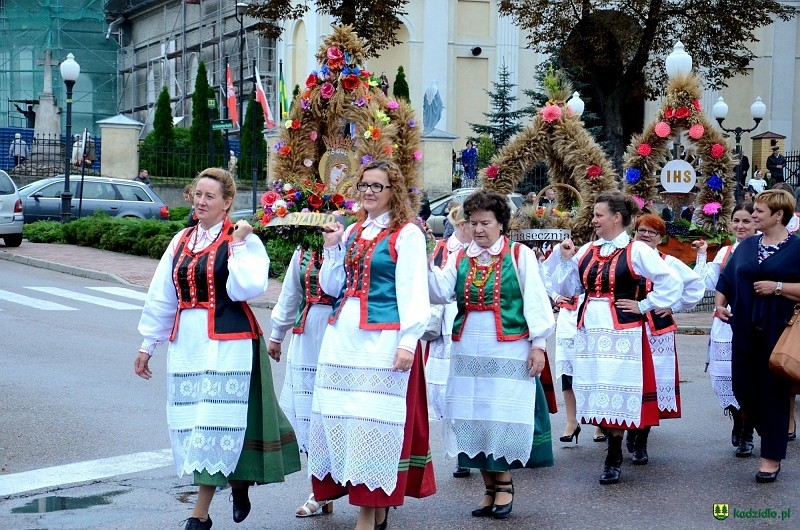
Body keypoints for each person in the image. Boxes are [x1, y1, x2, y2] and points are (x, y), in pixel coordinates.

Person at [134, 168, 301, 529]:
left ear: (227, 203)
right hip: (188, 344)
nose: (201, 201)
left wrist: (238, 243)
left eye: (210, 196)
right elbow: (163, 294)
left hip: (230, 343)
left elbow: (248, 288)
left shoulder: (241, 241)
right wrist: (149, 343)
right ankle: (238, 483)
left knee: (214, 423)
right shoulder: (181, 240)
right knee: (197, 425)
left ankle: (200, 514)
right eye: (197, 194)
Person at [312, 160, 435, 530]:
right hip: (343, 337)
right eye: (364, 185)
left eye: (377, 186)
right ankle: (374, 510)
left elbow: (414, 291)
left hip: (382, 339)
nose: (368, 191)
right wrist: (332, 249)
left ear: (393, 191)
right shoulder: (352, 231)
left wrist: (408, 343)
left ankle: (369, 513)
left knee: (373, 424)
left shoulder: (407, 234)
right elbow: (332, 288)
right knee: (347, 421)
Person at [429, 189, 555, 519]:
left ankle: (505, 485)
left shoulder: (518, 255)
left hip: (509, 347)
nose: (479, 229)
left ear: (501, 224)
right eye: (473, 223)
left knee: (501, 416)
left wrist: (539, 345)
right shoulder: (459, 257)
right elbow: (440, 291)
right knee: (473, 416)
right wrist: (423, 263)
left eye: (485, 223)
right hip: (468, 345)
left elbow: (536, 301)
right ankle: (489, 489)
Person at [552, 189, 682, 485]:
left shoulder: (637, 250)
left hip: (623, 331)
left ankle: (613, 455)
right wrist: (565, 260)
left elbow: (670, 280)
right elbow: (568, 287)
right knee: (598, 389)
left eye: (599, 215)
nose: (594, 220)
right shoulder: (587, 250)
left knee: (618, 388)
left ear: (617, 218)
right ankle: (612, 448)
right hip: (590, 330)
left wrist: (645, 304)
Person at [716, 189, 800, 483]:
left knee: (774, 394)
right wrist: (719, 303)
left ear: (779, 216)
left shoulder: (797, 247)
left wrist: (777, 287)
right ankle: (769, 431)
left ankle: (770, 458)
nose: (753, 216)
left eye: (759, 212)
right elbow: (726, 278)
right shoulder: (749, 245)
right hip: (744, 331)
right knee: (743, 389)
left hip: (780, 331)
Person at [617, 214, 704, 464]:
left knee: (653, 383)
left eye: (652, 232)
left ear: (661, 238)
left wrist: (672, 304)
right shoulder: (624, 258)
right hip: (628, 328)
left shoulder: (668, 262)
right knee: (632, 380)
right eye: (641, 230)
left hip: (657, 331)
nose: (645, 235)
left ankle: (642, 439)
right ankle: (632, 428)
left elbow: (695, 286)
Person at [269, 243, 337, 518]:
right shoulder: (302, 250)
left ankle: (358, 488)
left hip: (341, 330)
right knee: (308, 413)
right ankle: (319, 490)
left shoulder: (353, 242)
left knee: (337, 411)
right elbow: (290, 293)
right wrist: (276, 334)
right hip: (307, 332)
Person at [694, 203, 756, 456]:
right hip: (725, 323)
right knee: (724, 378)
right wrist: (702, 255)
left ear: (756, 224)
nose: (740, 226)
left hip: (752, 321)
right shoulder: (725, 252)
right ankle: (738, 420)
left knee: (748, 379)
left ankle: (748, 431)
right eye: (737, 221)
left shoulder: (761, 251)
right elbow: (708, 284)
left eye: (746, 221)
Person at [425, 205, 472, 477]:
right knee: (442, 393)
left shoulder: (481, 251)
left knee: (465, 390)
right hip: (442, 327)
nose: (471, 228)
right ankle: (458, 446)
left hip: (467, 324)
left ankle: (464, 451)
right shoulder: (442, 249)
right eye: (466, 222)